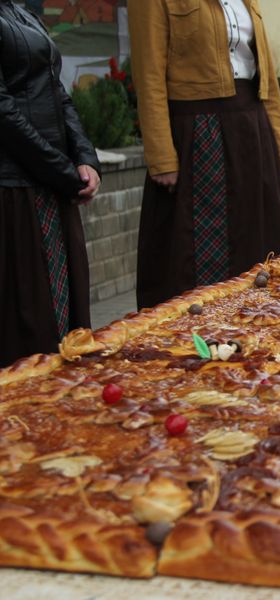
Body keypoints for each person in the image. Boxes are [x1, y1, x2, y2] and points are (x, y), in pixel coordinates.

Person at [128, 0, 280, 310]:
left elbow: (268, 80)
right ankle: (198, 344)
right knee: (200, 257)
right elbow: (149, 75)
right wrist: (161, 154)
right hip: (200, 134)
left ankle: (261, 332)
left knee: (263, 249)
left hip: (252, 129)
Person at [0, 0, 101, 366]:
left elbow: (57, 92)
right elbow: (3, 112)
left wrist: (85, 157)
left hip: (48, 184)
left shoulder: (21, 11)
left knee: (65, 318)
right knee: (29, 323)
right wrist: (61, 171)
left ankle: (64, 409)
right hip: (13, 189)